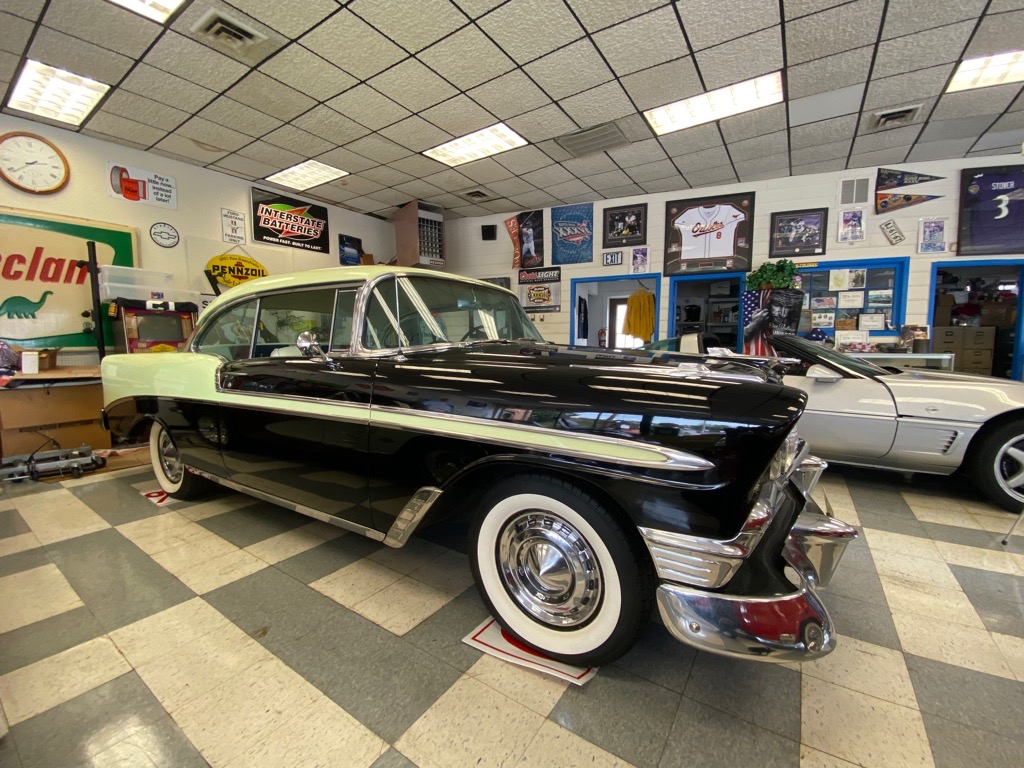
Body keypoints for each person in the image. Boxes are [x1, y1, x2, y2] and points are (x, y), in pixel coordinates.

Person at [743, 288, 803, 354]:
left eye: (788, 307)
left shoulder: (790, 323)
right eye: (777, 305)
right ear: (768, 304)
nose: (783, 314)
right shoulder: (754, 316)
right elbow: (740, 339)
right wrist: (754, 324)